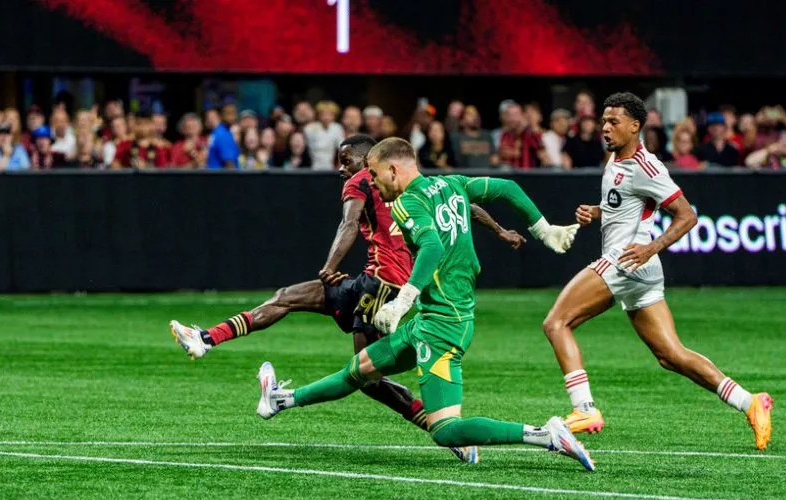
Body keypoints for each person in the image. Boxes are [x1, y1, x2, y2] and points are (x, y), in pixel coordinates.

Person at [171, 135, 528, 463]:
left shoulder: (362, 180)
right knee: (288, 298)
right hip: (371, 282)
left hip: (382, 286)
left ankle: (452, 436)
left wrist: (329, 266)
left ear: (367, 160)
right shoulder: (418, 182)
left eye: (346, 161)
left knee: (366, 375)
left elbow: (348, 223)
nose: (341, 169)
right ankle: (207, 339)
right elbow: (466, 205)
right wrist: (500, 231)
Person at [249, 137, 593, 471]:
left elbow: (432, 248)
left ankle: (546, 435)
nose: (371, 182)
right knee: (360, 371)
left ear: (394, 171)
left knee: (445, 430)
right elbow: (507, 189)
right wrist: (543, 229)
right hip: (432, 319)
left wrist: (401, 303)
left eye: (374, 173)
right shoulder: (451, 184)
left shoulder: (405, 203)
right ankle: (281, 400)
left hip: (442, 328)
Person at [540, 92, 773, 449]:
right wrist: (596, 212)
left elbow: (687, 215)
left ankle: (584, 409)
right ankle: (749, 401)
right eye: (603, 121)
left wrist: (652, 246)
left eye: (613, 122)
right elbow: (620, 206)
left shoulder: (647, 167)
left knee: (556, 323)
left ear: (635, 126)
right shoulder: (616, 159)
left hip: (627, 260)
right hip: (641, 269)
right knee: (671, 356)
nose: (605, 127)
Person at [207, 103, 240, 169]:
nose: (232, 117)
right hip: (223, 177)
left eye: (234, 113)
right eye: (228, 114)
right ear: (221, 116)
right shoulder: (223, 134)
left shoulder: (217, 131)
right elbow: (229, 163)